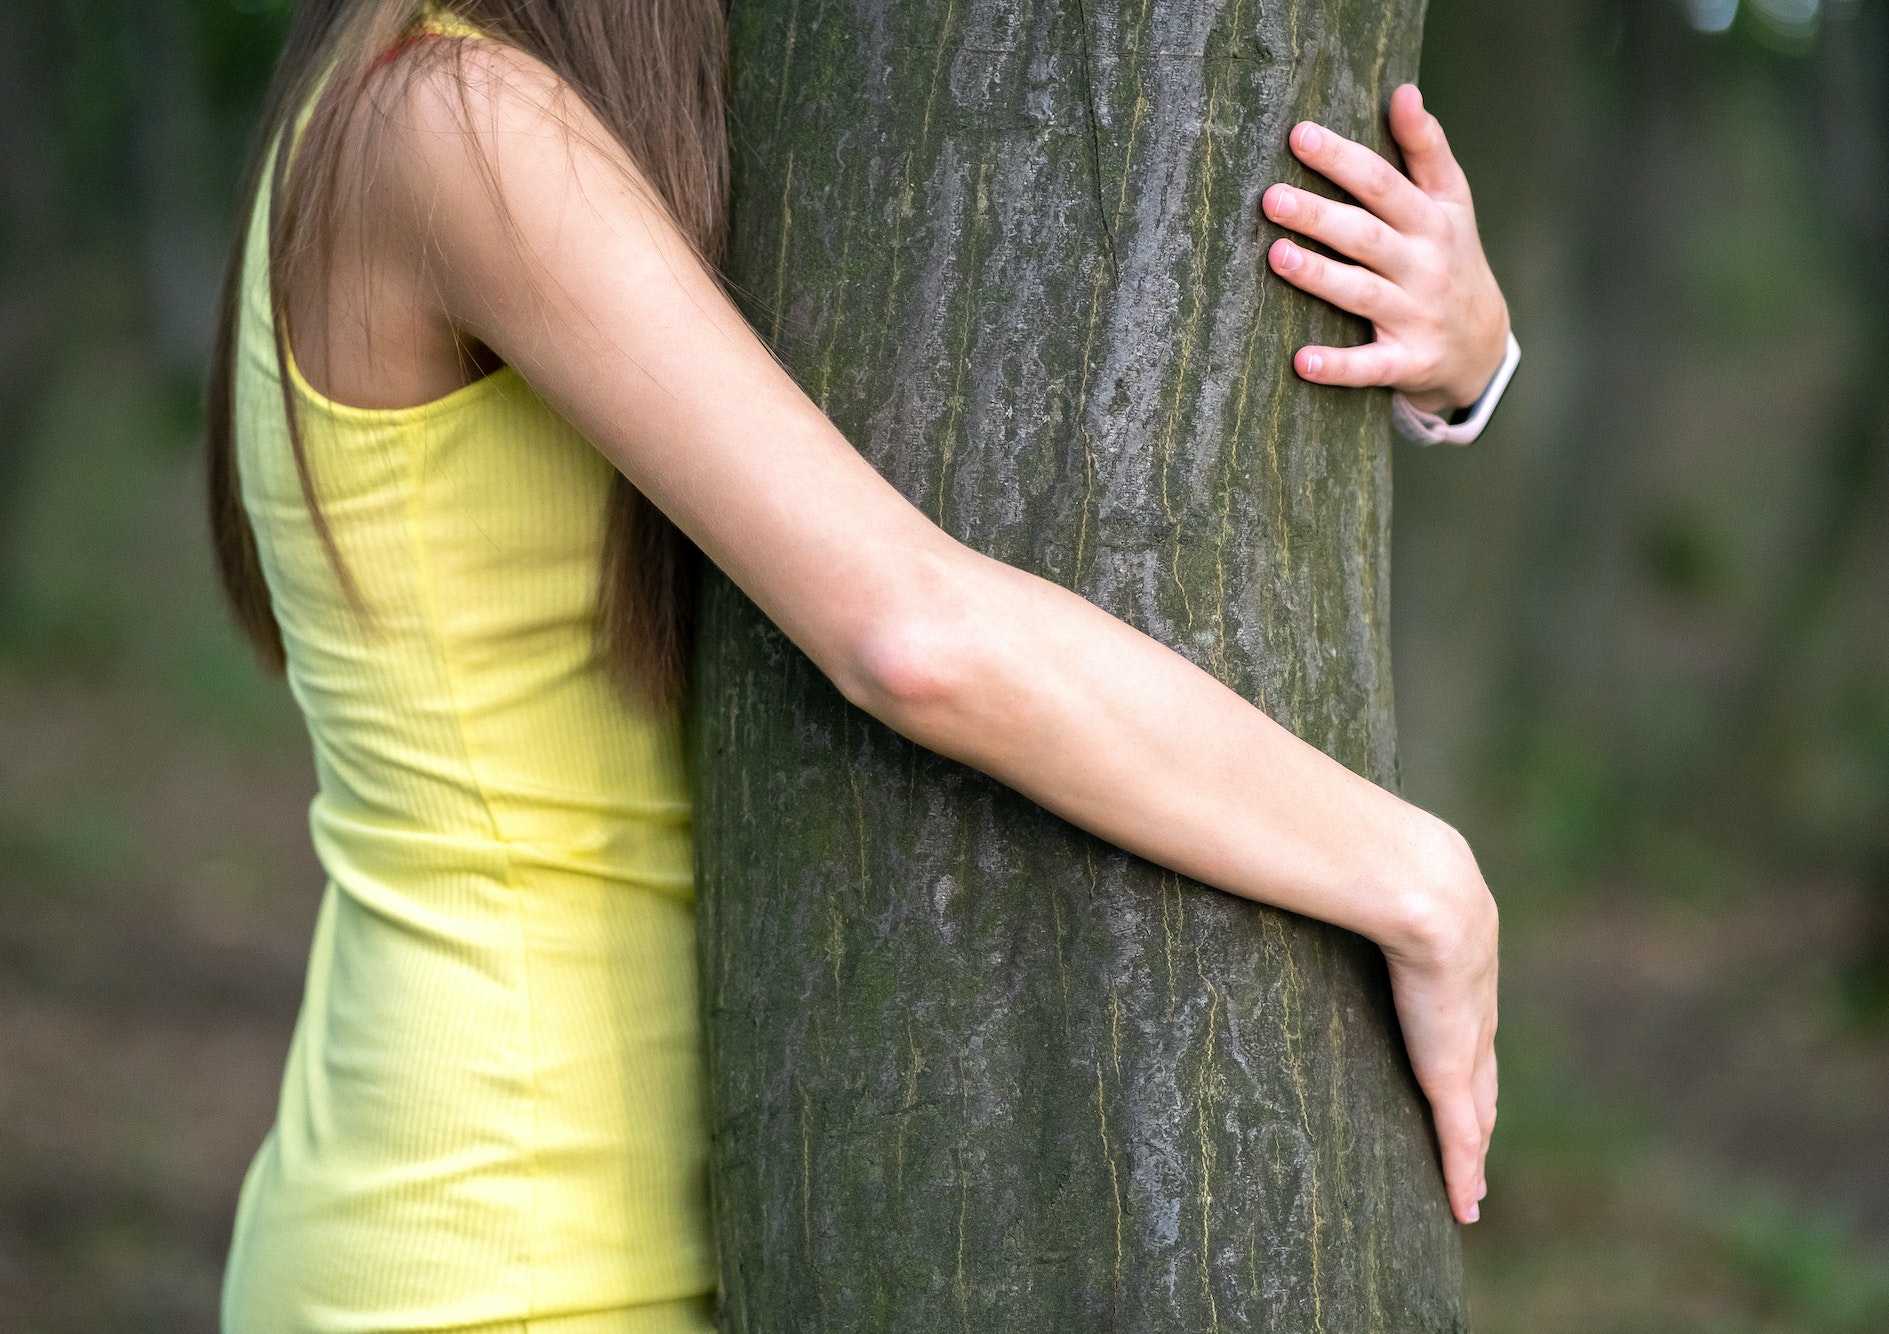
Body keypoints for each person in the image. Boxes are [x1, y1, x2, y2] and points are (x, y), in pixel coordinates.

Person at [206, 2, 1514, 1330]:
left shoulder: (466, 113)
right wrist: (1420, 878)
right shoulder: (451, 124)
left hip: (532, 1211)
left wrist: (1456, 366)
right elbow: (911, 632)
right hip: (496, 1257)